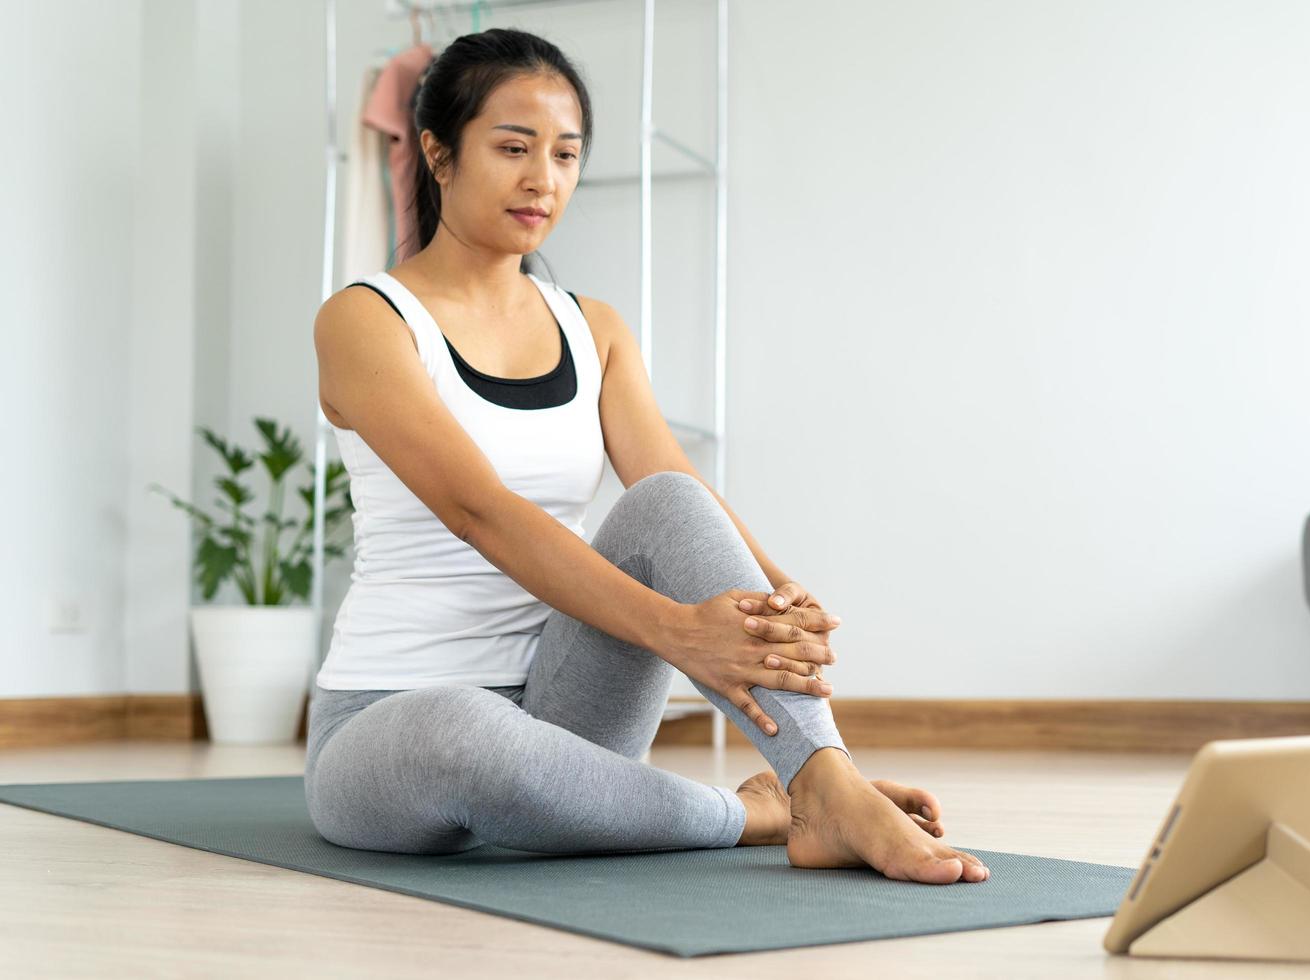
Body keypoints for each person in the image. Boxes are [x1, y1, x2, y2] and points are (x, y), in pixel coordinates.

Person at [306, 26, 988, 886]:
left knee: (664, 500)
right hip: (394, 721)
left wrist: (783, 599)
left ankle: (825, 784)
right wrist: (679, 635)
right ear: (437, 154)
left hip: (569, 703)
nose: (542, 180)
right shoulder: (365, 320)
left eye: (565, 154)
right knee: (465, 734)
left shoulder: (592, 329)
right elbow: (479, 511)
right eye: (513, 148)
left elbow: (678, 490)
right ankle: (755, 815)